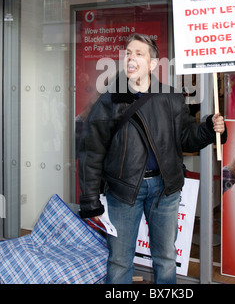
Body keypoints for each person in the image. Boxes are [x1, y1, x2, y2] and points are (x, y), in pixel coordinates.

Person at [78, 33, 226, 284]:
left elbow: (187, 138)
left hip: (164, 190)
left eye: (138, 53)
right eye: (128, 53)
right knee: (119, 260)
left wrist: (210, 129)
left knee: (166, 257)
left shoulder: (171, 97)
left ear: (153, 63)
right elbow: (92, 152)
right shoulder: (109, 100)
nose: (131, 58)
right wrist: (91, 199)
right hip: (123, 191)